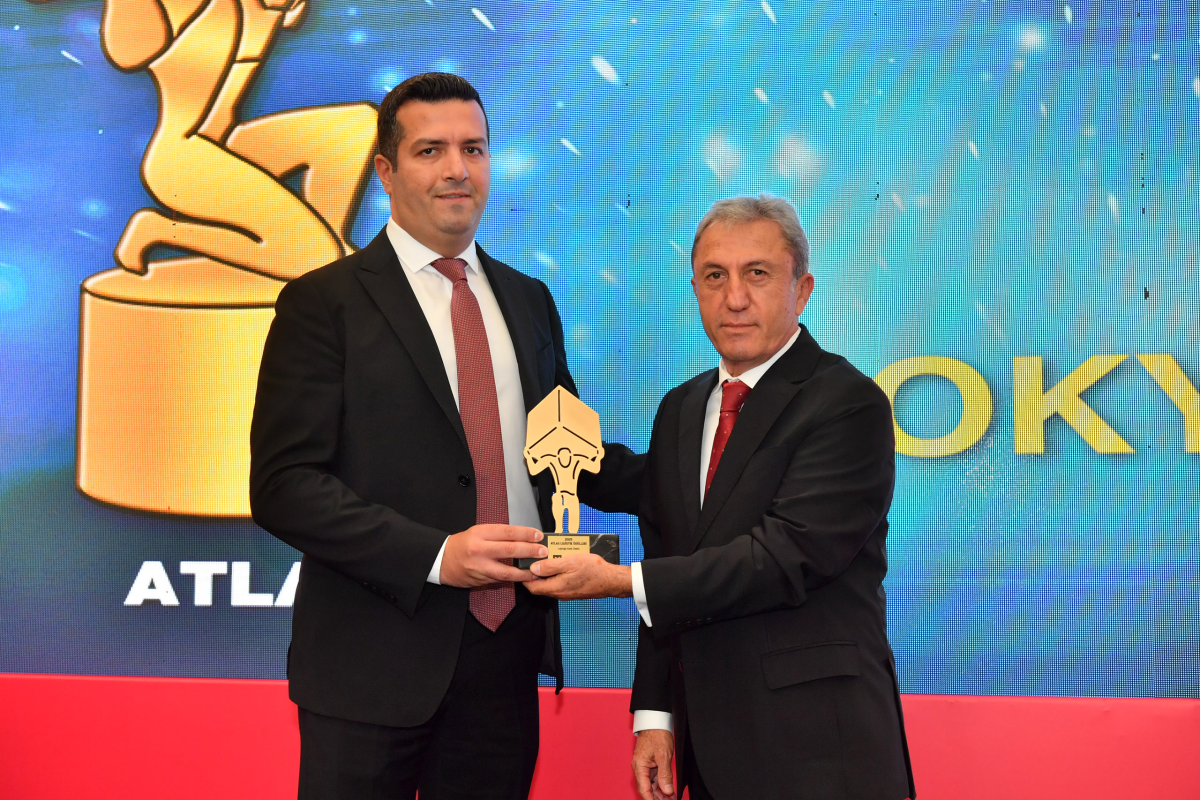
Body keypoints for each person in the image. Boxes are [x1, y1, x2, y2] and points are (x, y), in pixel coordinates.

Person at [249, 72, 642, 800]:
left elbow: (565, 451)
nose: (458, 169)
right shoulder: (322, 304)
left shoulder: (529, 299)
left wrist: (697, 473)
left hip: (504, 658)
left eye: (474, 148)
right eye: (430, 150)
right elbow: (284, 487)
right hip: (370, 664)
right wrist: (436, 556)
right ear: (386, 171)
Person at [528, 196, 916, 800]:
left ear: (802, 290)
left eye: (757, 273)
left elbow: (785, 555)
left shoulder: (848, 402)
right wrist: (655, 717)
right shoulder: (680, 409)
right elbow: (670, 545)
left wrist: (621, 580)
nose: (734, 298)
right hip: (707, 753)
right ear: (695, 290)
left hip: (822, 753)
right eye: (715, 276)